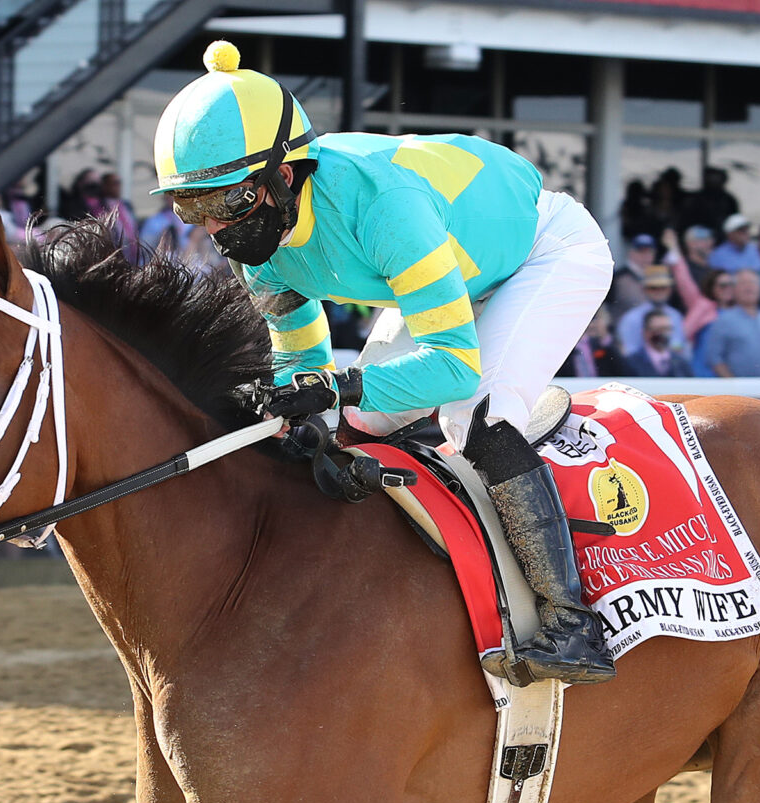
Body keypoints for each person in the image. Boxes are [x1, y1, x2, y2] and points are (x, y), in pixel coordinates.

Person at [154, 40, 617, 682]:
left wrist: (337, 384)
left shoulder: (381, 207)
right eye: (193, 209)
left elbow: (453, 368)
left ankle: (573, 621)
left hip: (542, 253)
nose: (216, 229)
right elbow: (299, 348)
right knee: (361, 426)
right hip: (448, 269)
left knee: (476, 418)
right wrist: (303, 398)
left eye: (226, 204)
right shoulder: (255, 237)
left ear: (283, 175)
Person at [693, 268, 760, 376]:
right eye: (744, 283)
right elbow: (714, 358)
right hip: (736, 390)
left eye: (753, 282)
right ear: (734, 289)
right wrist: (732, 385)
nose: (749, 287)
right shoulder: (724, 320)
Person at [617, 265, 687, 361]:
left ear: (670, 289)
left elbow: (679, 346)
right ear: (644, 289)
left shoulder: (676, 316)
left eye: (663, 287)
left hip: (672, 369)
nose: (658, 291)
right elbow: (629, 352)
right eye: (653, 288)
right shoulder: (631, 318)